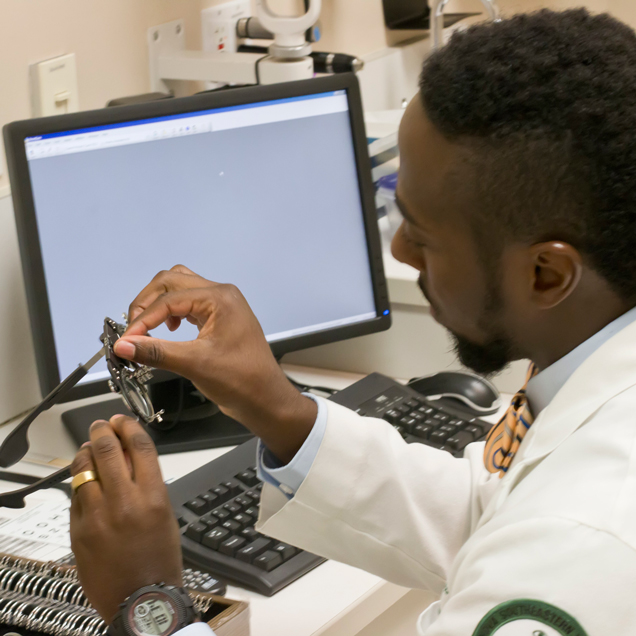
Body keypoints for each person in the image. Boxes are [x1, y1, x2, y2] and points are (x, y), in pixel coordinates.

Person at [69, 8, 636, 636]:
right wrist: (278, 408)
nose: (398, 252)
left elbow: (545, 540)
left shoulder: (589, 537)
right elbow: (493, 516)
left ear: (547, 275)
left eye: (419, 234)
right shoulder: (593, 394)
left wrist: (145, 605)